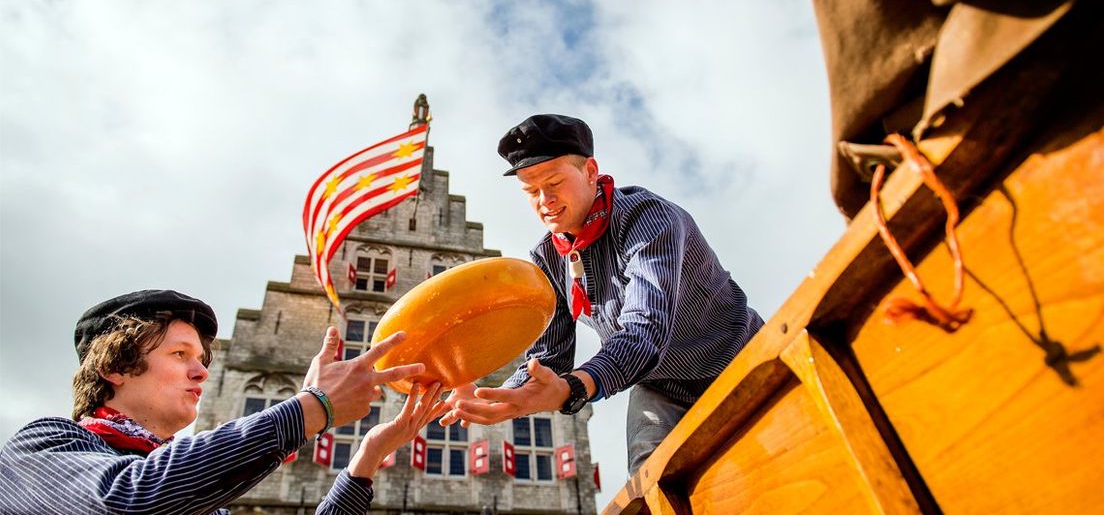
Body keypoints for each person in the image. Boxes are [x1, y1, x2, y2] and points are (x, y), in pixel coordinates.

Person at [443, 114, 764, 473]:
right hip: (662, 387)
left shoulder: (649, 218)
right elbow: (549, 355)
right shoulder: (547, 257)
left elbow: (643, 331)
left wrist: (573, 389)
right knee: (650, 476)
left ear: (591, 172)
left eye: (554, 183)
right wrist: (504, 395)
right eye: (531, 192)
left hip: (737, 358)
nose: (544, 201)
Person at [0, 289, 447, 514]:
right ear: (113, 368)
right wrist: (313, 408)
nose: (201, 371)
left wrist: (365, 461)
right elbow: (128, 501)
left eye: (201, 358)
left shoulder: (202, 496)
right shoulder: (42, 445)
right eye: (179, 355)